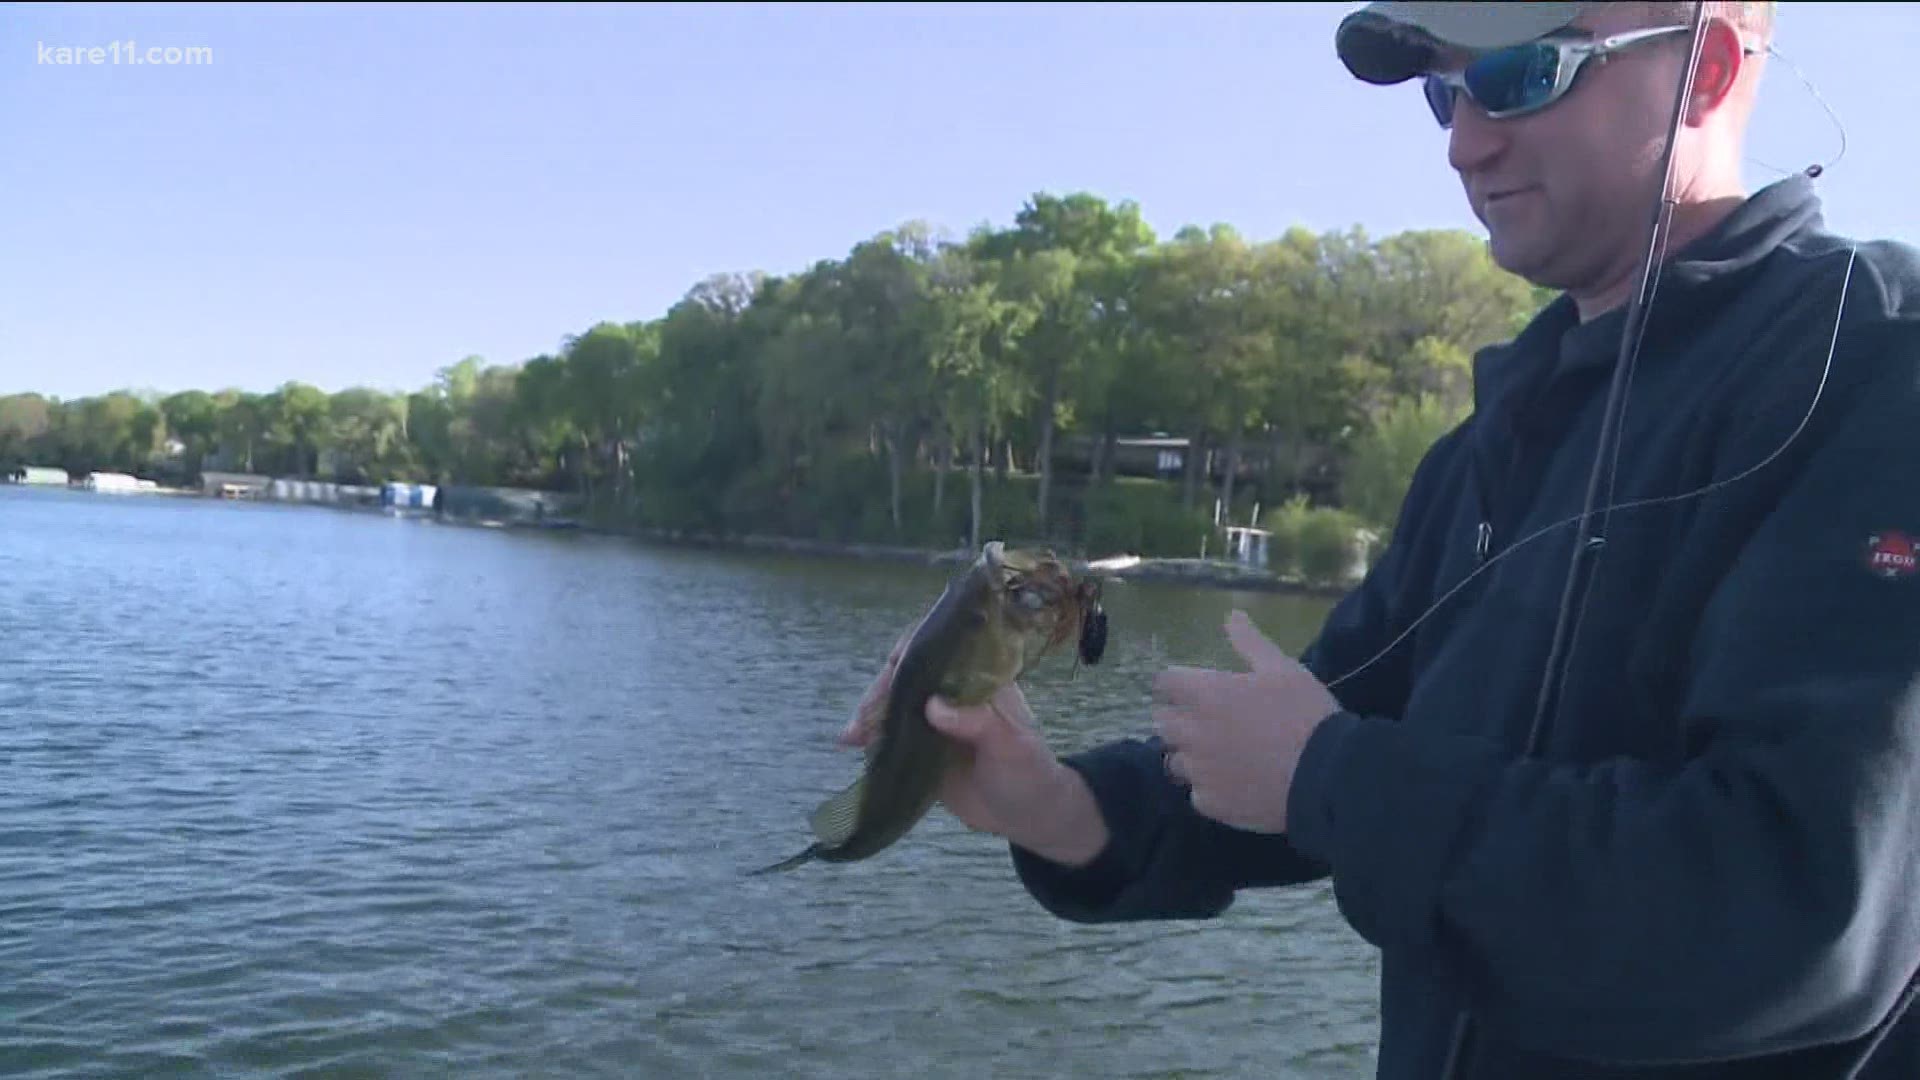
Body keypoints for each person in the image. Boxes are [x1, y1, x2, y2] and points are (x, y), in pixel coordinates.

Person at [840, 2, 1920, 1077]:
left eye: (1516, 75)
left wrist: (1333, 777)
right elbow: (1323, 734)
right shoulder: (1494, 440)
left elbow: (1798, 906)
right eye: (1445, 89)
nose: (1464, 140)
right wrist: (1065, 808)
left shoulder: (1877, 375)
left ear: (1710, 68)